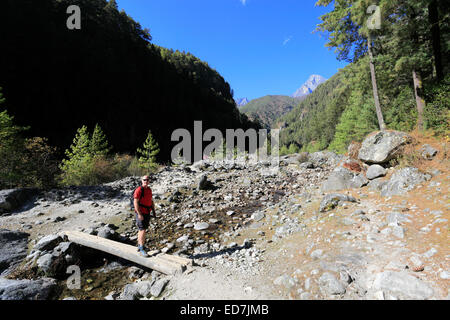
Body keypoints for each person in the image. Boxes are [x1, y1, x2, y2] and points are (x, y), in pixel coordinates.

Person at [133, 175, 156, 257]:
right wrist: (139, 214)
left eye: (147, 180)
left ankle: (140, 245)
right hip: (141, 212)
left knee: (142, 229)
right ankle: (142, 248)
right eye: (144, 180)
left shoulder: (149, 189)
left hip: (147, 212)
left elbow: (151, 200)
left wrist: (153, 210)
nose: (146, 181)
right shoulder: (139, 190)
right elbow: (135, 202)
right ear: (141, 181)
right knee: (142, 229)